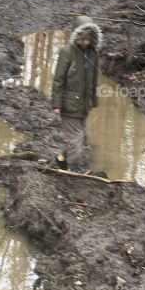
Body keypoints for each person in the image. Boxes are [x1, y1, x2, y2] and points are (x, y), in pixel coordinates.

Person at [51, 16, 101, 173]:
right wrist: (57, 104)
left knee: (83, 138)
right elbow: (58, 79)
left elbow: (93, 79)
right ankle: (74, 167)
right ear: (77, 36)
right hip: (69, 103)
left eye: (89, 39)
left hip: (83, 104)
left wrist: (92, 100)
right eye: (83, 39)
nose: (86, 42)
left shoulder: (93, 54)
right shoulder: (67, 52)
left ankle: (62, 159)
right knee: (76, 138)